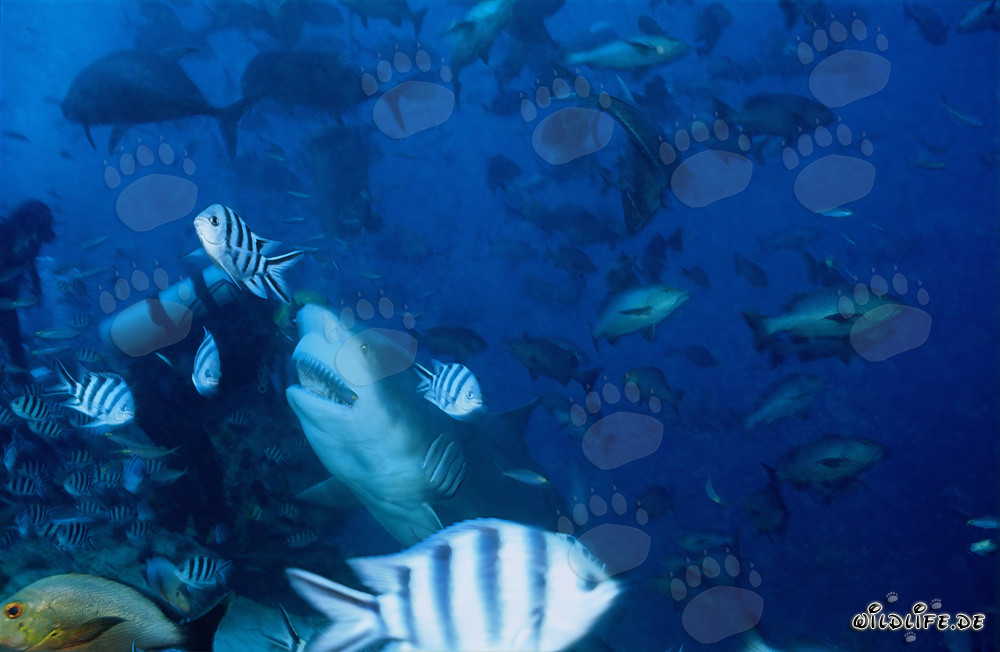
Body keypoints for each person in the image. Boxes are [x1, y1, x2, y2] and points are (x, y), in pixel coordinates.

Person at [0, 200, 55, 384]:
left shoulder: (34, 241)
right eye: (30, 231)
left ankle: (24, 387)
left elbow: (30, 263)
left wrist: (37, 288)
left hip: (10, 295)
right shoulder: (2, 233)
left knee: (13, 338)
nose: (33, 238)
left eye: (37, 234)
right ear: (19, 223)